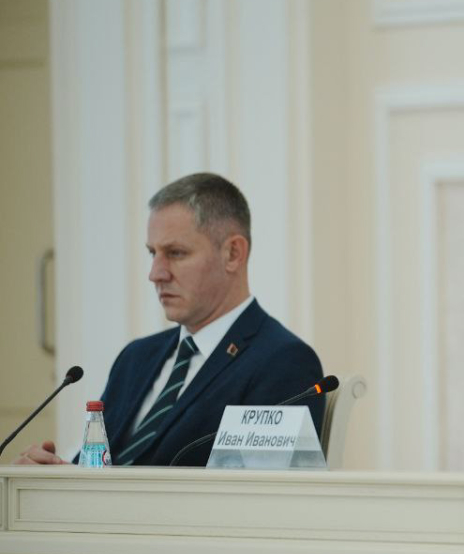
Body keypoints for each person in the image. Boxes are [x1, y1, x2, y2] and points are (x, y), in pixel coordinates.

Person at [15, 173, 324, 467]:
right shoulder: (136, 358)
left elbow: (263, 496)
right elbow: (96, 470)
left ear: (233, 253)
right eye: (153, 253)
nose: (155, 274)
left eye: (176, 253)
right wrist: (53, 474)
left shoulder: (283, 362)